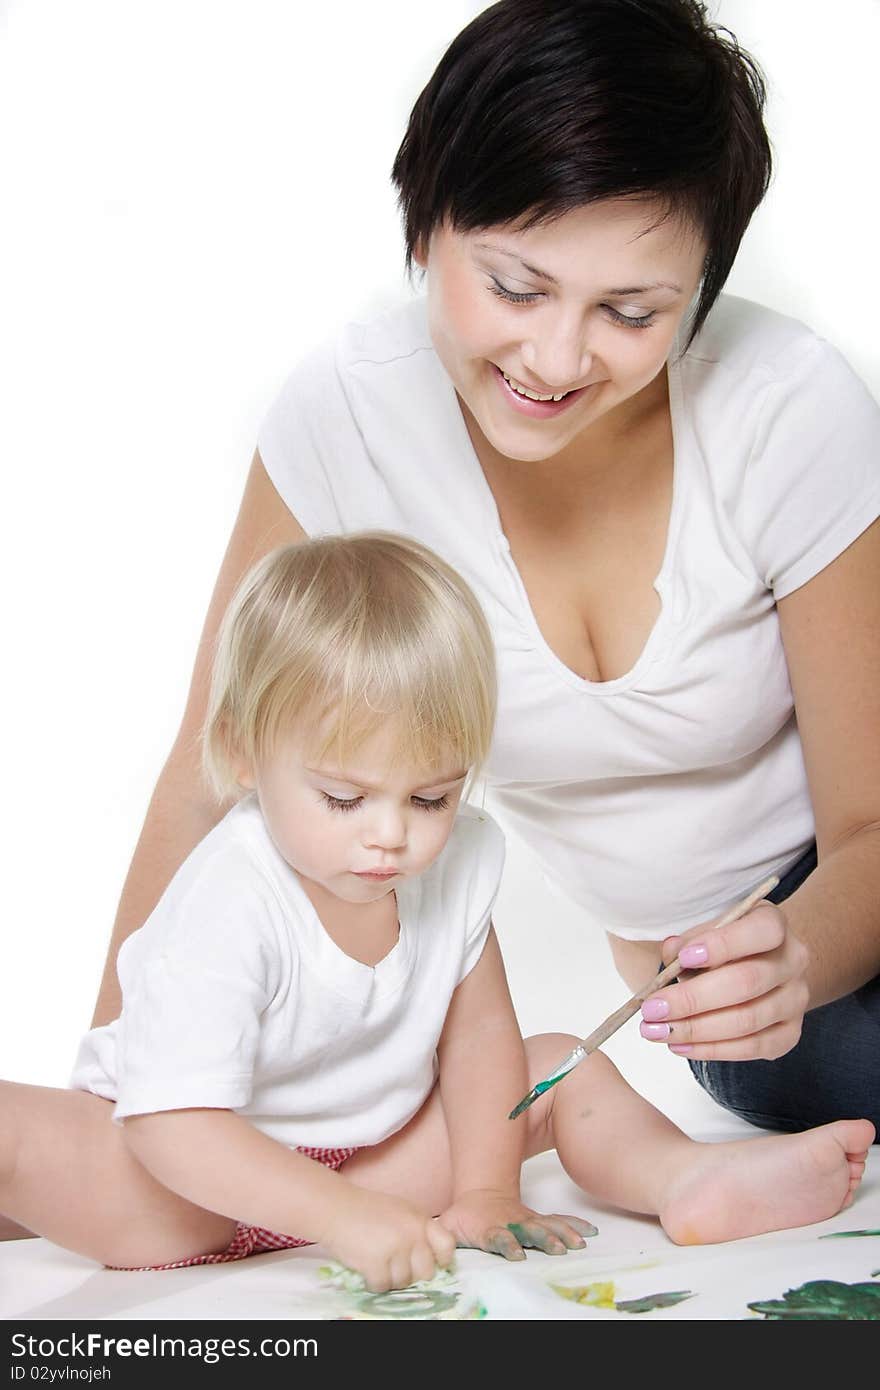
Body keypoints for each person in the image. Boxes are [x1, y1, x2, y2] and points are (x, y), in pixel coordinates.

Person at [86, 0, 879, 1143]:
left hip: (826, 922)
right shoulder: (348, 421)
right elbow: (214, 773)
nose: (556, 359)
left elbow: (867, 825)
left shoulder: (786, 409)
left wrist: (797, 952)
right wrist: (106, 1101)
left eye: (630, 310)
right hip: (725, 995)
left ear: (698, 292)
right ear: (423, 227)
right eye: (514, 287)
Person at [0, 534, 873, 1290]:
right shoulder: (230, 896)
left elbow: (479, 1040)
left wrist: (485, 1191)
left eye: (430, 797)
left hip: (377, 1165)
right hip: (172, 1185)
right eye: (344, 797)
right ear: (241, 753)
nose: (392, 839)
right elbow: (172, 1125)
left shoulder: (456, 864)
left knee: (559, 1066)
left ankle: (686, 1178)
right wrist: (343, 1219)